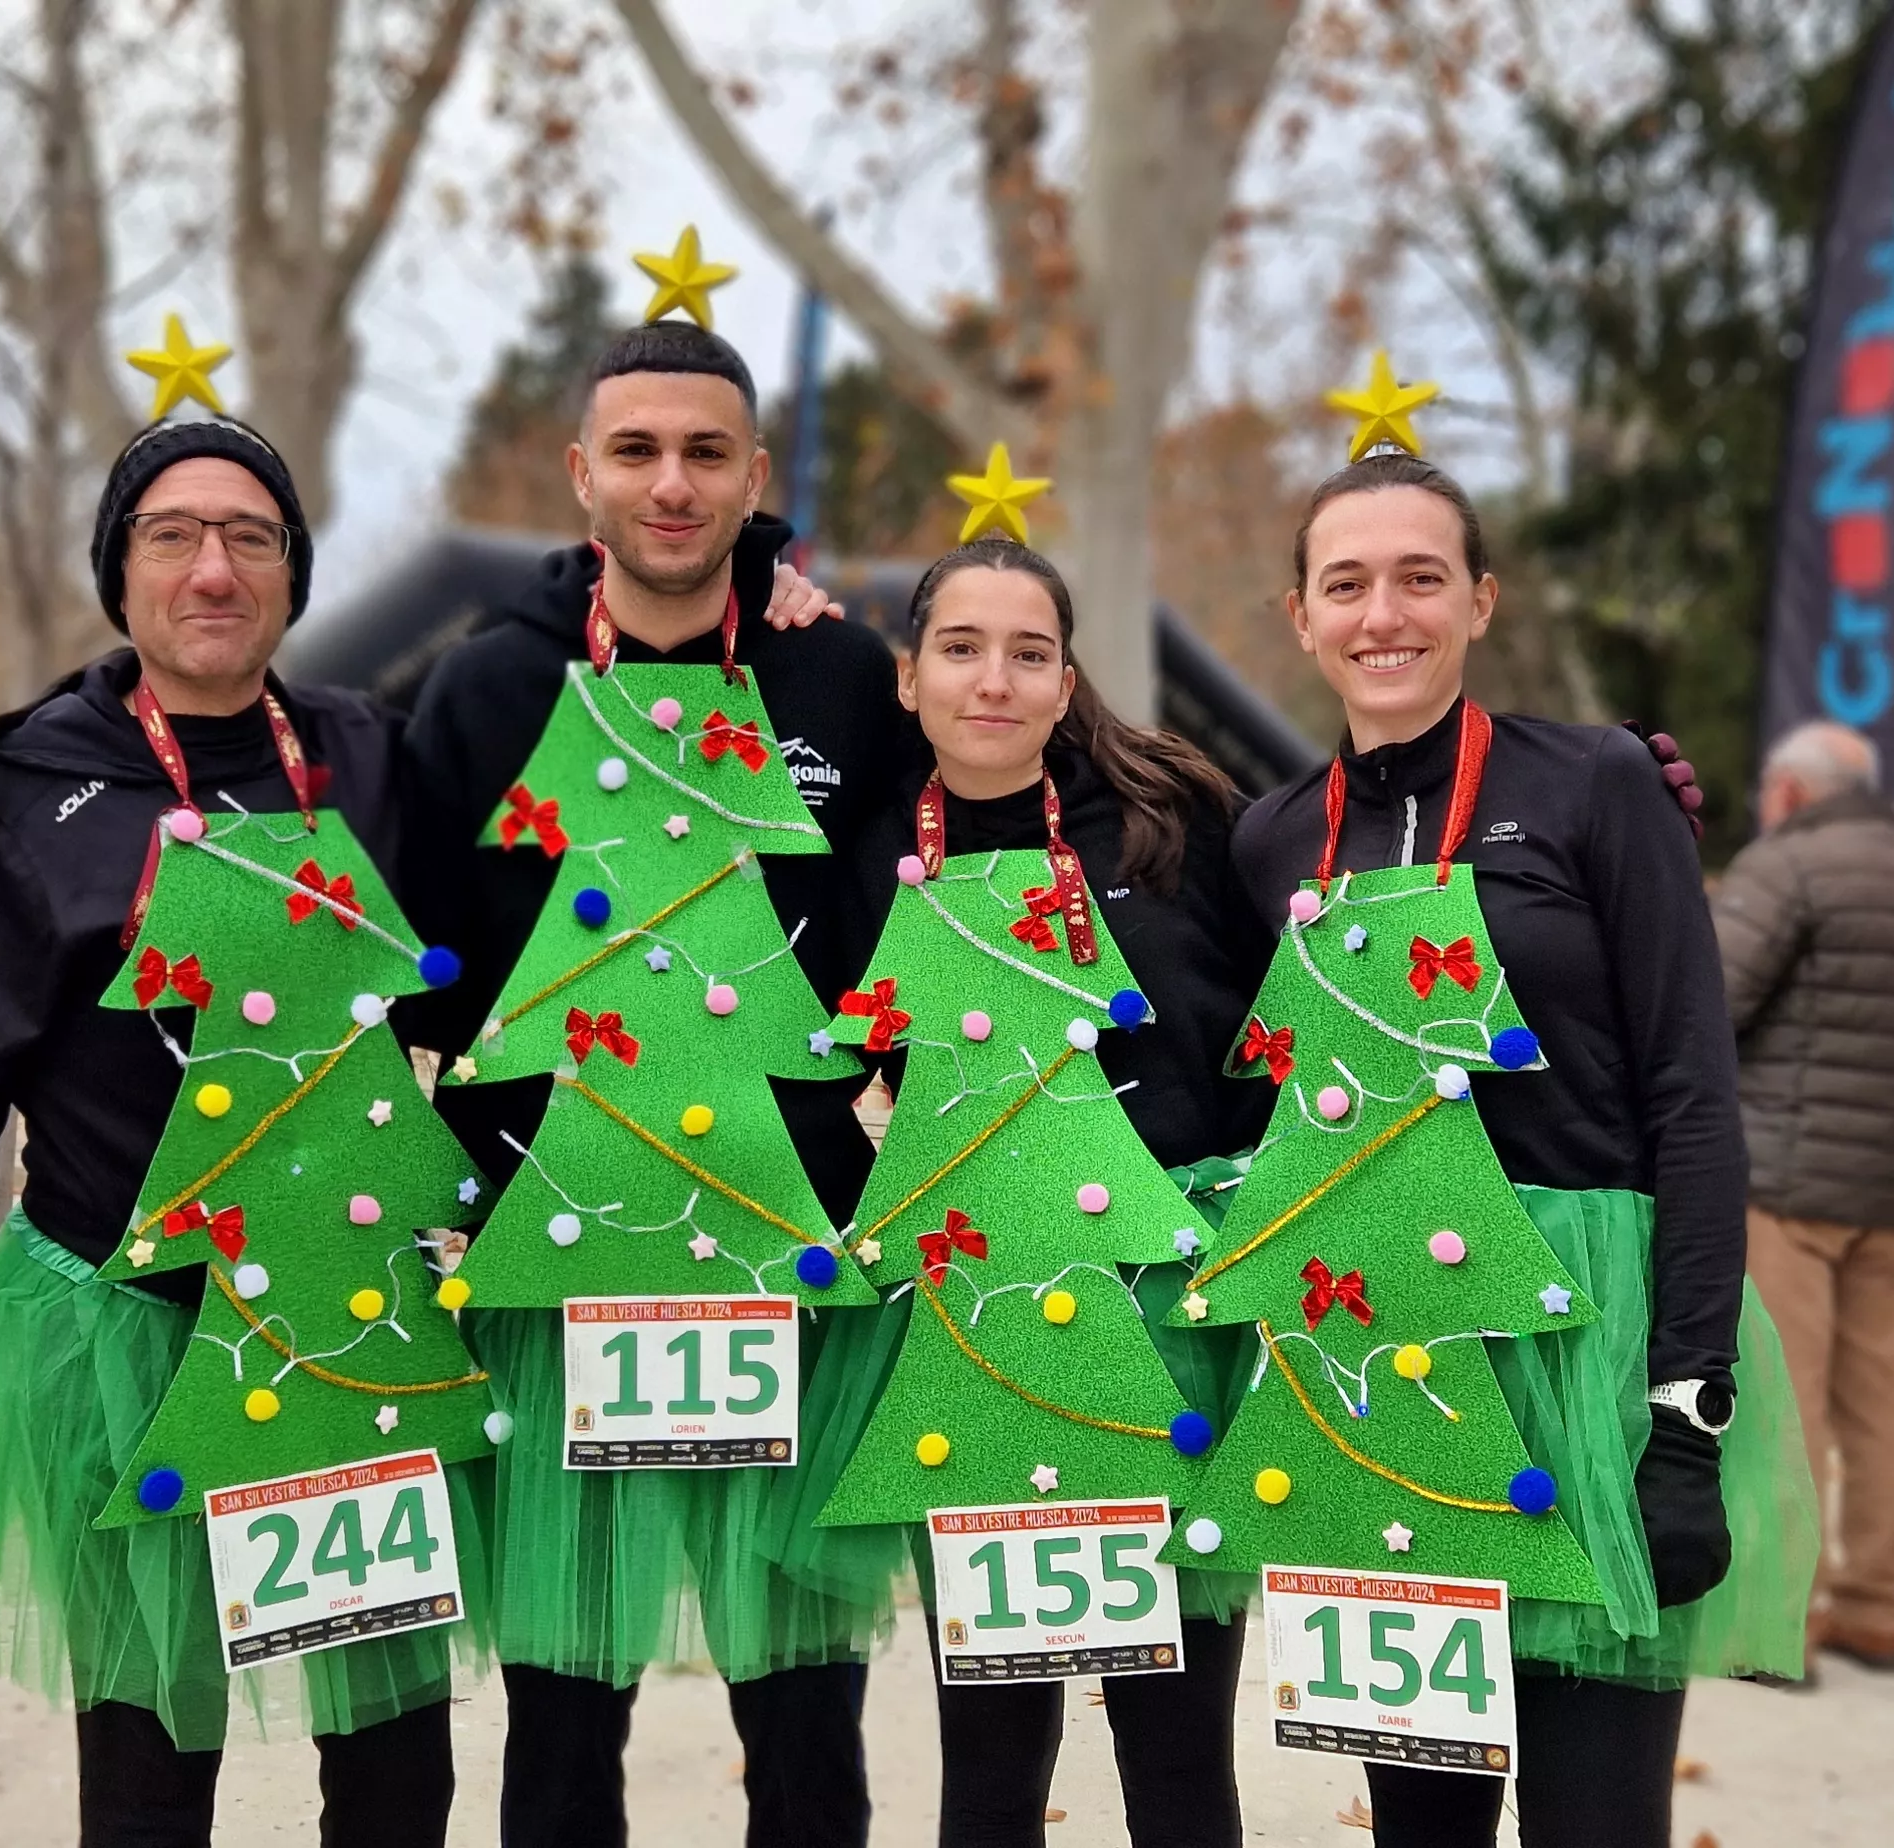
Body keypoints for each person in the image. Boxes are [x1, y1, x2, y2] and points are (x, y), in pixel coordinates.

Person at [0, 414, 468, 1846]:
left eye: (250, 538)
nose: (212, 570)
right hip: (125, 1344)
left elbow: (540, 732)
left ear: (294, 579)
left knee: (391, 1766)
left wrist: (767, 573)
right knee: (145, 1769)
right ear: (119, 574)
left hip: (345, 1334)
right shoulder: (29, 794)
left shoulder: (370, 759)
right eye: (171, 536)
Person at [395, 319, 928, 1848]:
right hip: (564, 1261)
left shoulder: (837, 673)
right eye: (636, 451)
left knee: (808, 1725)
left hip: (788, 1256)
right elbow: (414, 947)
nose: (672, 484)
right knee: (563, 1725)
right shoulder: (492, 687)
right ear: (581, 478)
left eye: (706, 453)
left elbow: (977, 828)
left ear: (757, 475)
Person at [1228, 448, 1807, 1847]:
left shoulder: (1602, 783)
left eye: (1422, 578)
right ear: (1299, 616)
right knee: (1421, 1829)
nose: (1386, 615)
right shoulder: (1269, 841)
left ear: (1480, 601)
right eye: (1347, 584)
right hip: (1387, 1366)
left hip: (1590, 1354)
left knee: (1595, 1821)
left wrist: (1688, 1411)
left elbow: (1692, 1099)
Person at [844, 537, 1273, 1847]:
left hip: (1169, 1315)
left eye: (1030, 653)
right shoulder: (866, 852)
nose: (996, 681)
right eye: (962, 650)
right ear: (909, 678)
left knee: (1179, 1749)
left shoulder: (1171, 811)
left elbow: (1278, 1013)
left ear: (1066, 677)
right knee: (991, 1754)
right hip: (985, 1330)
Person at [1712, 721, 1894, 1675]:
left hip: (1785, 1174)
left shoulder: (1788, 867)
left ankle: (1787, 1620)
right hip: (1886, 1179)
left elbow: (1714, 1000)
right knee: (1877, 1393)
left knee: (1784, 1394)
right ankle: (1875, 1607)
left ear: (1789, 793)